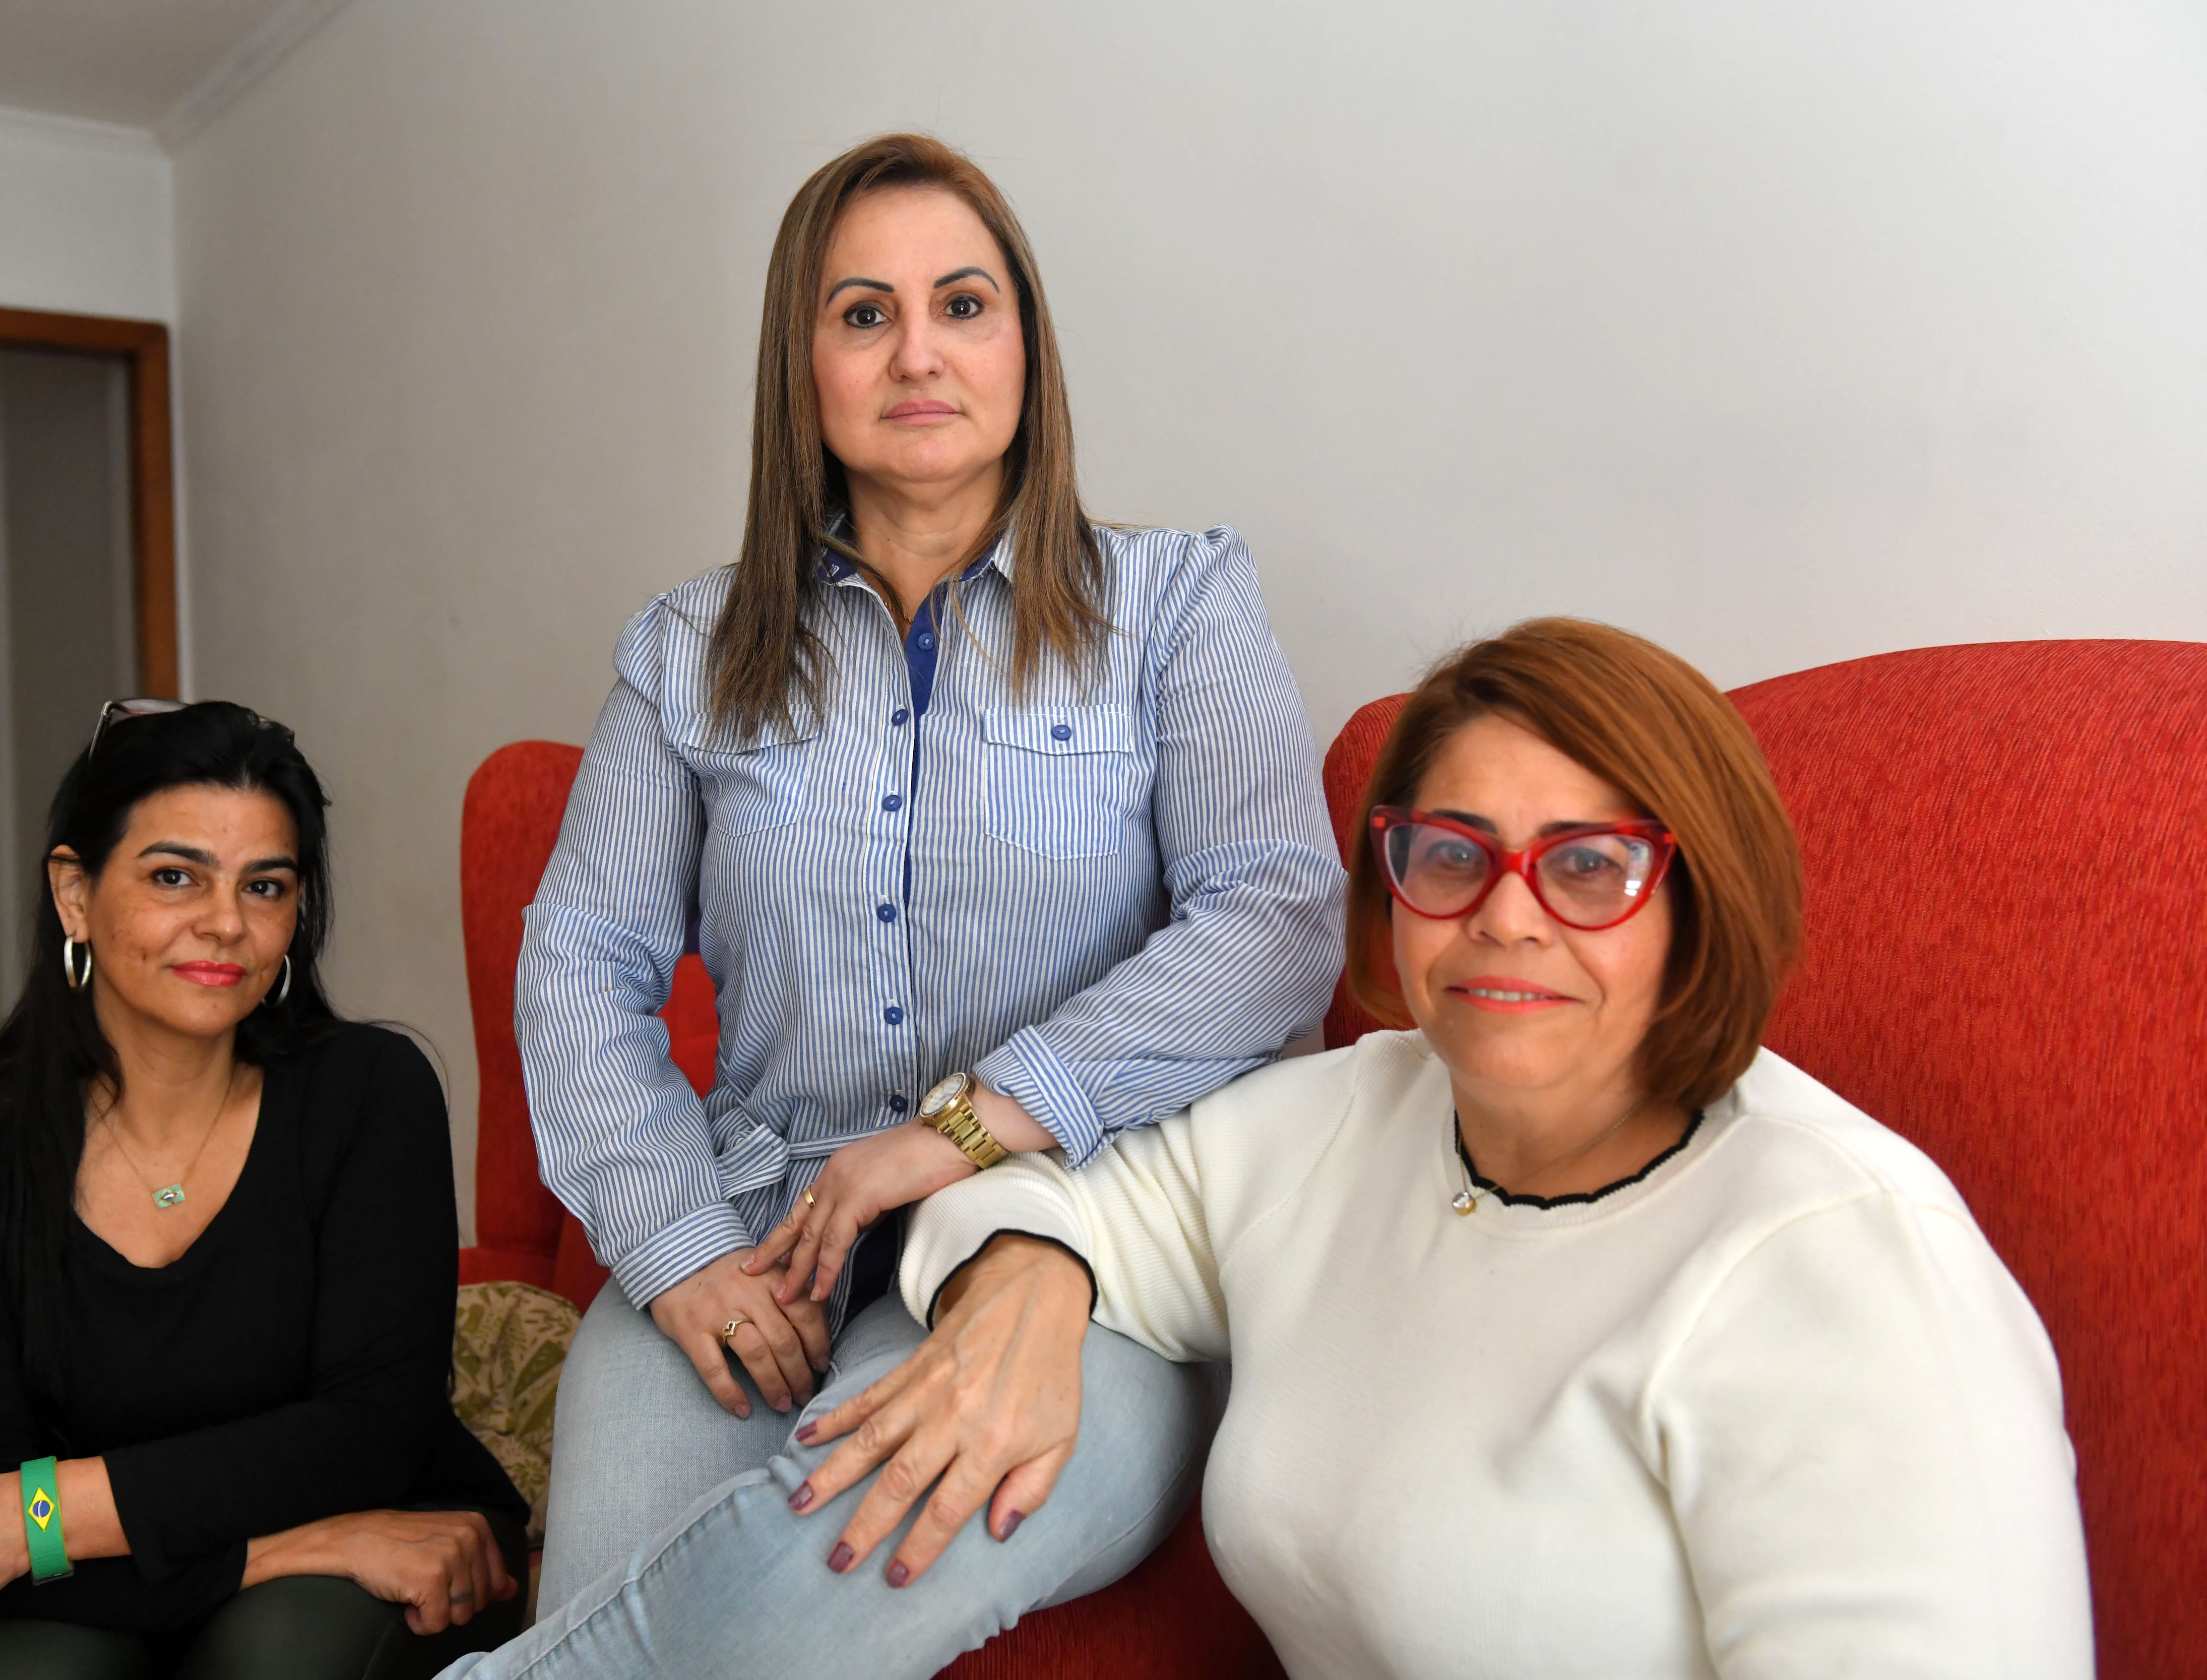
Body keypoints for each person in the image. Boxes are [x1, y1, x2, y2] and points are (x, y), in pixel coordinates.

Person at [487, 134, 1345, 1671]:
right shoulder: (688, 647)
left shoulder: (1181, 603)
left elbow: (1276, 915)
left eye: (964, 302)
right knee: (604, 1594)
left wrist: (963, 1128)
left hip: (1067, 1232)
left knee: (803, 1588)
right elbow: (580, 960)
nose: (919, 352)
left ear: (1027, 343)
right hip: (758, 1229)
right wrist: (679, 1246)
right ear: (801, 364)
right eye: (863, 313)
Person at [855, 617, 2094, 1678]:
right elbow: (1027, 1194)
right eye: (1453, 854)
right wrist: (1027, 1269)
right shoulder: (1352, 1114)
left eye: (1588, 866)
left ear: (1697, 902)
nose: (1506, 915)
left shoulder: (1847, 1264)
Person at [0, 699, 532, 1679]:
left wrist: (37, 1512)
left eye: (266, 884)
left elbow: (370, 1434)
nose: (224, 923)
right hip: (115, 1583)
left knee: (276, 1657)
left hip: (391, 1543)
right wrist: (274, 1549)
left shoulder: (369, 1094)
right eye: (175, 875)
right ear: (75, 893)